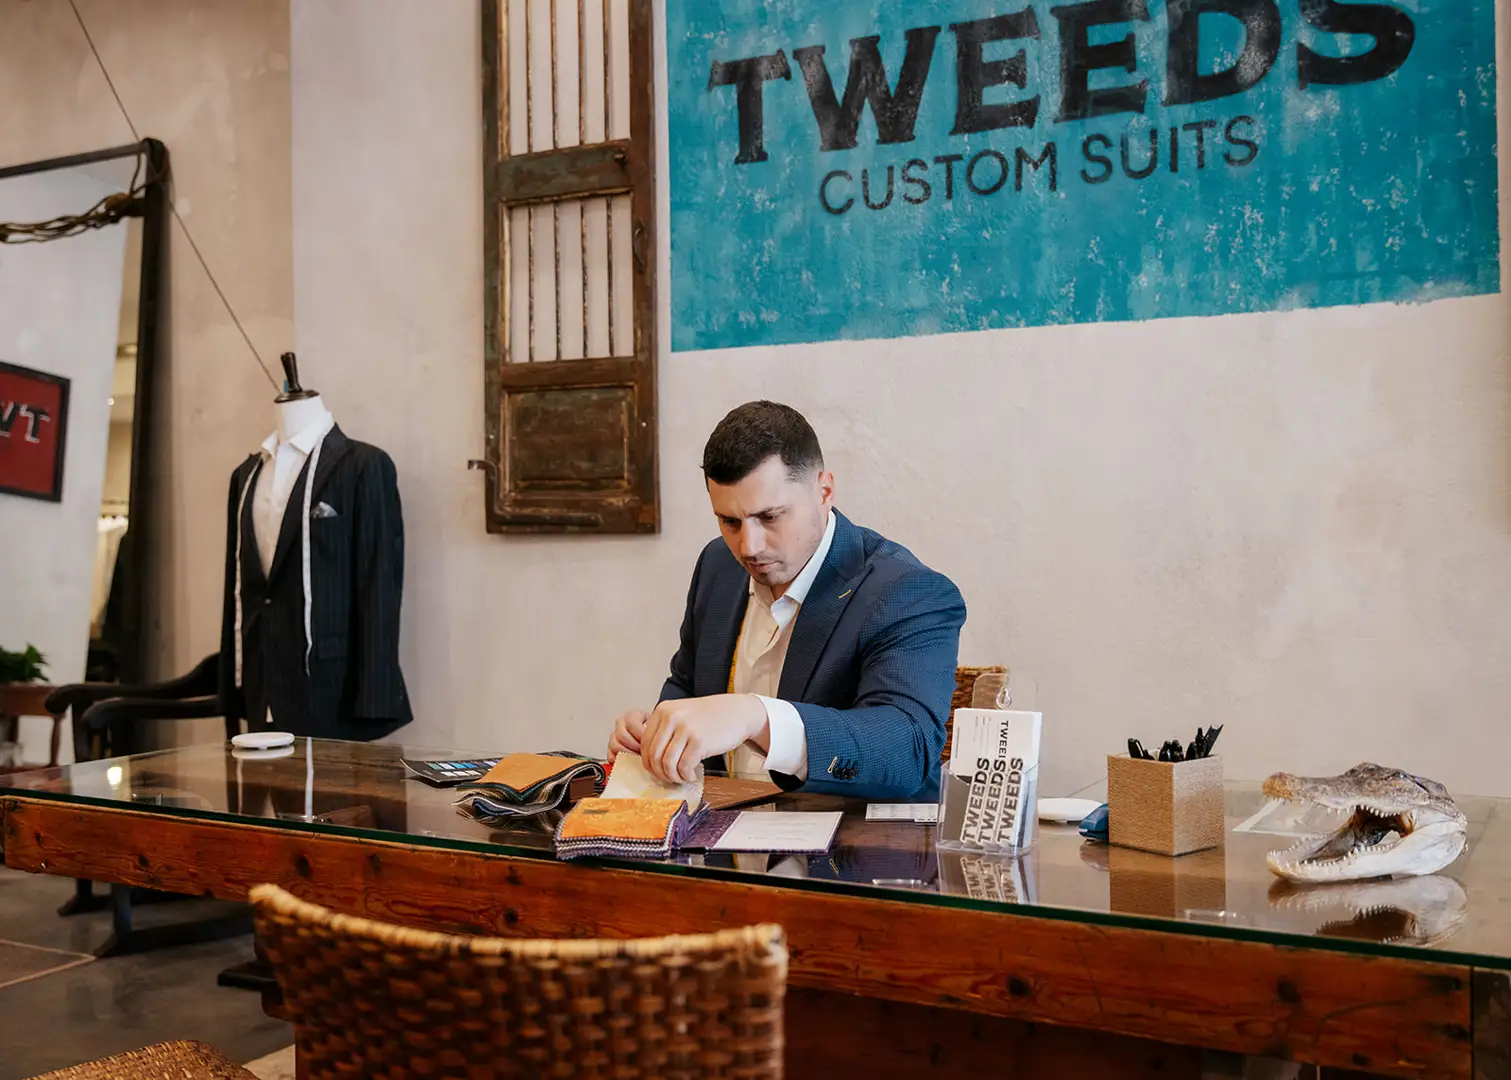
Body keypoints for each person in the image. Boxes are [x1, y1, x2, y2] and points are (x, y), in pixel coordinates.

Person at [608, 400, 966, 801]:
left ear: (824, 491)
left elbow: (907, 749)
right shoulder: (717, 565)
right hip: (722, 830)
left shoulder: (907, 591)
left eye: (770, 517)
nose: (749, 546)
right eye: (730, 521)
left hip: (854, 837)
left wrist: (755, 716)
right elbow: (687, 685)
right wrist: (654, 735)